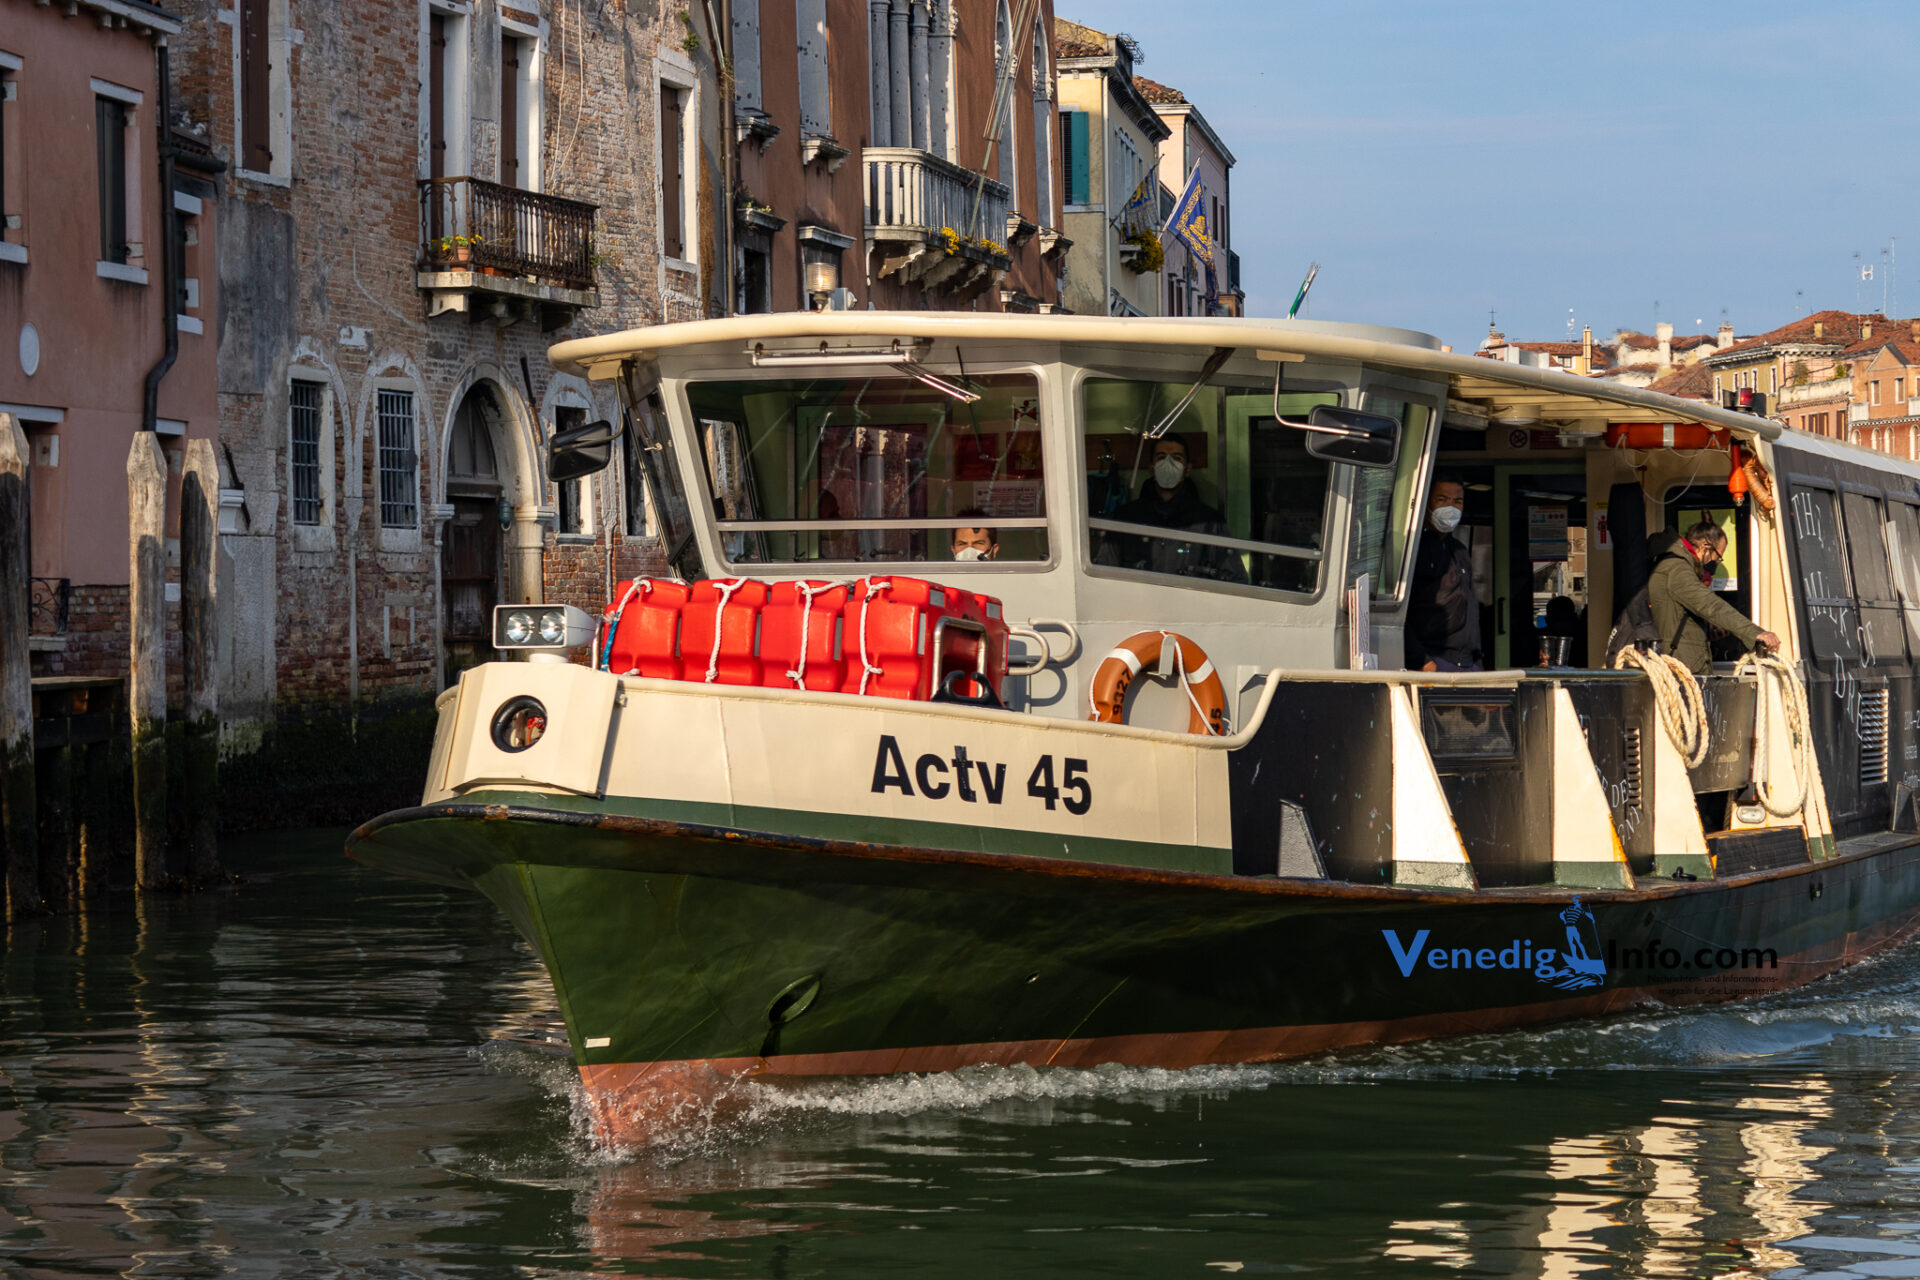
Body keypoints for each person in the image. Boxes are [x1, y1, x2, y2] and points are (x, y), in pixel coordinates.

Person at [1100, 434, 1246, 582]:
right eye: (1161, 457)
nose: (1168, 463)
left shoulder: (1209, 522)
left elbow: (1235, 579)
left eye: (1177, 458)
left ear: (1187, 469)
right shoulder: (1126, 517)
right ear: (1151, 468)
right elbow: (1104, 573)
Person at [1647, 519, 1779, 674]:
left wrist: (1708, 630)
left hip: (1682, 664)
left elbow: (1675, 616)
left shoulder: (1676, 566)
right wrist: (1755, 633)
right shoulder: (1677, 569)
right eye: (1717, 558)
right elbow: (1711, 606)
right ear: (1705, 547)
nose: (1715, 564)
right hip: (1679, 668)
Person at [1406, 475, 1482, 671]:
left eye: (1457, 501)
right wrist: (1422, 660)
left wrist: (1477, 661)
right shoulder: (1412, 549)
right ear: (1427, 502)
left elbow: (1470, 605)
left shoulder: (1459, 550)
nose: (1451, 507)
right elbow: (1401, 612)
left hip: (1468, 662)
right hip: (1435, 660)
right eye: (1442, 499)